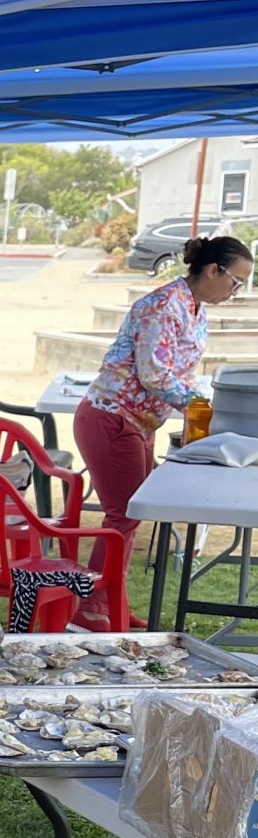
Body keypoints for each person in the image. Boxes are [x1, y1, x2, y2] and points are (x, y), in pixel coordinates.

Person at [74, 234, 254, 600]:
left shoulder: (195, 308)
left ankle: (112, 604)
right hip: (112, 417)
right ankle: (93, 609)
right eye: (234, 281)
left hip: (138, 422)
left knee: (131, 516)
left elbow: (179, 371)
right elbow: (154, 373)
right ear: (211, 269)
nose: (235, 291)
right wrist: (202, 407)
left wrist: (205, 397)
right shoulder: (164, 305)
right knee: (121, 518)